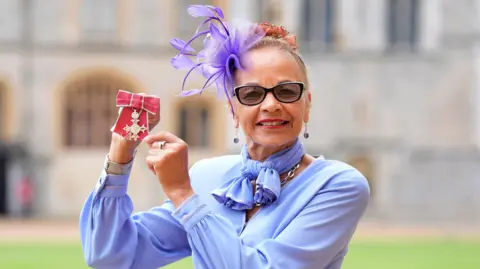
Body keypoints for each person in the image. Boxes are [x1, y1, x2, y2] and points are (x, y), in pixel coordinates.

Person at [80, 5, 370, 269]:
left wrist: (183, 194)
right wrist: (120, 155)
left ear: (306, 104)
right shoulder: (209, 177)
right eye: (253, 94)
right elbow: (111, 256)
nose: (271, 105)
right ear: (233, 109)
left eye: (286, 91)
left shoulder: (338, 184)